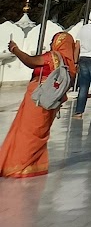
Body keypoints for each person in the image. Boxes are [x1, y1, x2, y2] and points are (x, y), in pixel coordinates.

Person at [0, 31, 79, 178]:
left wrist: (15, 49)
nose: (50, 43)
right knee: (39, 132)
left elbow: (31, 61)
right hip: (51, 101)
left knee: (27, 132)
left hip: (38, 99)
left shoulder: (54, 56)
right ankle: (32, 165)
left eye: (53, 41)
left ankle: (19, 165)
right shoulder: (68, 62)